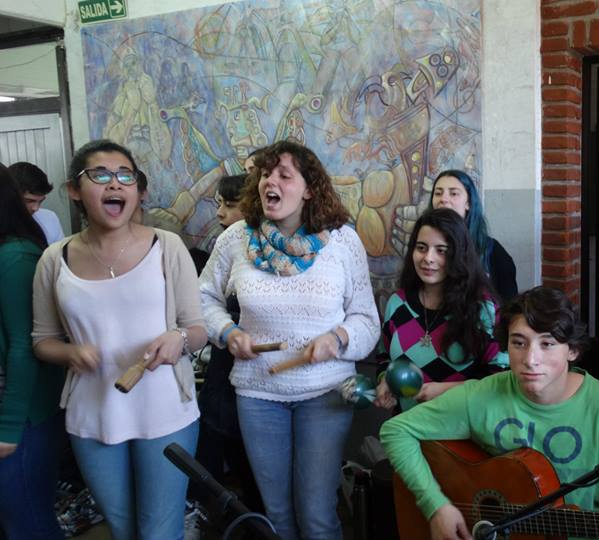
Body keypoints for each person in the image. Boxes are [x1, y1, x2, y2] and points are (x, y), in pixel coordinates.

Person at [381, 286, 599, 540]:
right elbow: (395, 430)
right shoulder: (481, 396)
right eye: (519, 343)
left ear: (572, 350)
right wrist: (436, 506)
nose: (530, 359)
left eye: (547, 344)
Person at [199, 140, 379, 539]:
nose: (270, 182)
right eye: (266, 174)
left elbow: (367, 319)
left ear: (309, 188)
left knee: (317, 515)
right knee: (276, 516)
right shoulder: (236, 239)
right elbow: (202, 298)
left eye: (284, 175)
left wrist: (339, 337)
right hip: (258, 395)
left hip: (326, 394)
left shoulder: (343, 241)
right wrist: (228, 332)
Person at [32, 140, 205, 540]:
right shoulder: (54, 259)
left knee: (160, 531)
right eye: (100, 175)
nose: (115, 184)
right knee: (123, 530)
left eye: (125, 176)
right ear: (74, 190)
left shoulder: (167, 247)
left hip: (166, 411)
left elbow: (197, 329)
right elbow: (42, 340)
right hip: (92, 415)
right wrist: (71, 351)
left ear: (138, 190)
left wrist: (178, 338)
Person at [373, 208, 508, 411]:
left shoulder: (483, 309)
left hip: (461, 426)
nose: (428, 258)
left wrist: (445, 391)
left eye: (441, 250)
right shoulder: (397, 303)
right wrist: (385, 381)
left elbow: (501, 378)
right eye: (421, 248)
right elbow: (384, 357)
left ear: (459, 254)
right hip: (405, 424)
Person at [0, 164, 64, 539]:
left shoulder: (16, 256)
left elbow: (25, 347)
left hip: (22, 416)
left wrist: (9, 428)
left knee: (27, 522)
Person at [192, 173, 262, 512]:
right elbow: (204, 300)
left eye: (231, 205)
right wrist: (227, 331)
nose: (220, 213)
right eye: (219, 204)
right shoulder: (225, 245)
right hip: (225, 369)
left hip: (256, 379)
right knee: (218, 438)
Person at [430, 169, 518, 301]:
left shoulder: (492, 251)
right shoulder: (424, 249)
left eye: (453, 193)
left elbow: (510, 305)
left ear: (469, 203)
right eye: (438, 193)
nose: (443, 199)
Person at [9, 161, 65, 244]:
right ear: (10, 194)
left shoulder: (50, 218)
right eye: (29, 201)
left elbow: (61, 250)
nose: (36, 208)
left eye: (41, 201)